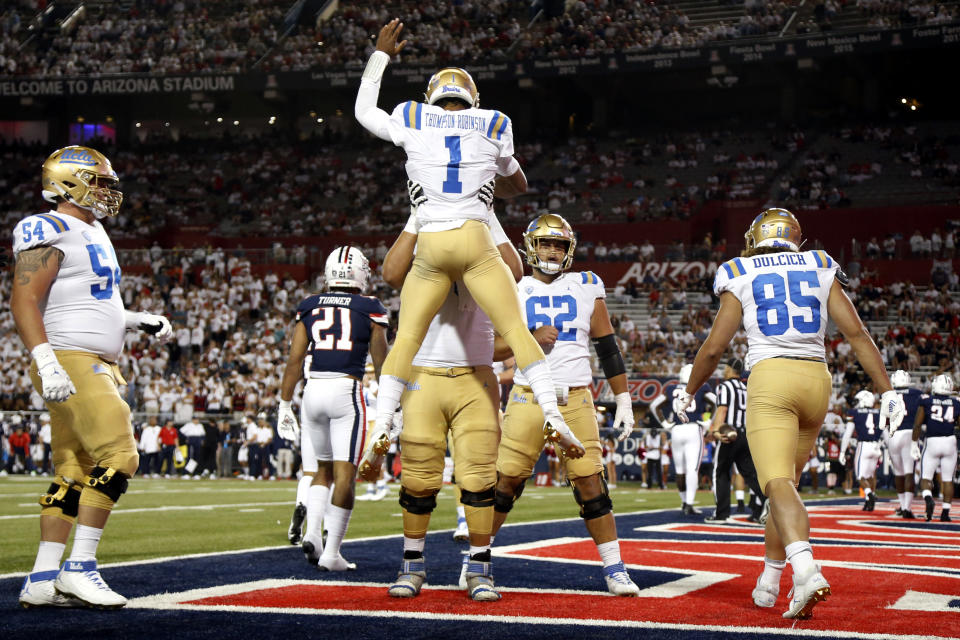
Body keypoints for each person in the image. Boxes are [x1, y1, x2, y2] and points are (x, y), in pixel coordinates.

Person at [354, 19, 582, 468]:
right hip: (476, 235)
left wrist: (380, 56)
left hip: (431, 236)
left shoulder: (412, 116)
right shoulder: (495, 122)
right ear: (473, 99)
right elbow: (516, 180)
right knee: (518, 332)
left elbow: (364, 112)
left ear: (431, 98)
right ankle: (554, 414)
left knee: (405, 340)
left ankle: (383, 423)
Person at [672, 208, 904, 619]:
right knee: (787, 488)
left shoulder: (739, 269)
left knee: (776, 483)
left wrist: (689, 391)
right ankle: (769, 580)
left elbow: (713, 348)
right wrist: (886, 391)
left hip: (772, 377)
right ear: (795, 236)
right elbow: (856, 333)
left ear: (757, 236)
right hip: (817, 380)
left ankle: (806, 570)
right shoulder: (818, 262)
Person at [12, 145, 173, 609]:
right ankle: (80, 568)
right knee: (121, 455)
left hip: (86, 357)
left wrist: (134, 318)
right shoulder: (48, 226)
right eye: (99, 182)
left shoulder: (92, 228)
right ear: (67, 181)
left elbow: (89, 299)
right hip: (70, 358)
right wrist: (46, 361)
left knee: (73, 472)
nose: (108, 192)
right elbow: (24, 300)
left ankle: (41, 579)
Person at [378, 201, 521, 601]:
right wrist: (417, 215)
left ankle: (480, 568)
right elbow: (390, 273)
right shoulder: (426, 221)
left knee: (478, 477)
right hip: (423, 370)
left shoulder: (483, 225)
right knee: (419, 477)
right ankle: (412, 565)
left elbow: (516, 274)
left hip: (475, 374)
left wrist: (487, 214)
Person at [491, 213, 640, 597]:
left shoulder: (587, 284)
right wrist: (529, 338)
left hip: (575, 396)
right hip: (527, 395)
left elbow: (606, 346)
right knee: (506, 481)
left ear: (569, 249)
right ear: (531, 246)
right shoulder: (513, 286)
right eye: (545, 243)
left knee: (591, 481)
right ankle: (477, 559)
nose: (552, 250)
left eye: (559, 244)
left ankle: (615, 568)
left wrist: (622, 397)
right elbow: (491, 349)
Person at [277, 246, 388, 571]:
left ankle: (313, 533)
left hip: (312, 391)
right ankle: (332, 553)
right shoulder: (370, 307)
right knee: (345, 475)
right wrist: (391, 407)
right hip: (345, 390)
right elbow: (381, 363)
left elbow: (295, 360)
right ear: (358, 272)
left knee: (320, 470)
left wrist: (284, 403)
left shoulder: (310, 305)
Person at [705, 358, 766, 524]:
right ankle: (769, 502)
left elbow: (723, 410)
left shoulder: (725, 387)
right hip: (745, 434)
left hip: (729, 434)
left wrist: (715, 431)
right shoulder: (745, 388)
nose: (724, 370)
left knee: (721, 472)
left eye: (725, 367)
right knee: (750, 474)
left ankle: (721, 513)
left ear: (730, 369)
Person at [650, 364, 714, 515]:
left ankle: (684, 502)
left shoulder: (672, 389)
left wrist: (665, 423)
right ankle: (689, 504)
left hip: (677, 429)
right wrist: (709, 422)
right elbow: (716, 401)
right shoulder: (701, 387)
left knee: (680, 470)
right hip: (692, 428)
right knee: (692, 469)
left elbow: (654, 405)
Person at [914, 374, 959, 522]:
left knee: (925, 477)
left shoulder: (927, 400)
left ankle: (928, 498)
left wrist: (914, 443)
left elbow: (918, 424)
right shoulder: (956, 402)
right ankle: (945, 512)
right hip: (950, 441)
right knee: (947, 479)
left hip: (933, 441)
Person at [839, 390, 884, 511]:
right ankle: (869, 502)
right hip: (876, 446)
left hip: (864, 446)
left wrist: (842, 452)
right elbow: (885, 433)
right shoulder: (880, 413)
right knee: (870, 475)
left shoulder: (855, 412)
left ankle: (870, 494)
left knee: (860, 476)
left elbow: (847, 434)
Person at [888, 370, 922, 518]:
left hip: (894, 435)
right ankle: (907, 508)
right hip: (909, 432)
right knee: (909, 472)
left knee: (898, 473)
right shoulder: (916, 393)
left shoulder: (888, 394)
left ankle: (902, 505)